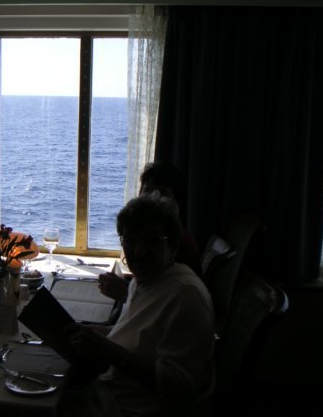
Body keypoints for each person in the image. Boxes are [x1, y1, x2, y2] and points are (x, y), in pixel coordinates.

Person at [62, 193, 216, 417]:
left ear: (172, 245)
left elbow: (180, 388)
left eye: (151, 240)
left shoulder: (185, 296)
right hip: (112, 393)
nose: (139, 251)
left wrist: (110, 351)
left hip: (132, 408)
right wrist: (99, 333)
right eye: (130, 240)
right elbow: (143, 337)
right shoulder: (145, 279)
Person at [99, 161, 201, 302]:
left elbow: (162, 302)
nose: (153, 197)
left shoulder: (178, 246)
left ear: (178, 203)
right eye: (147, 191)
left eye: (162, 193)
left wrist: (124, 293)